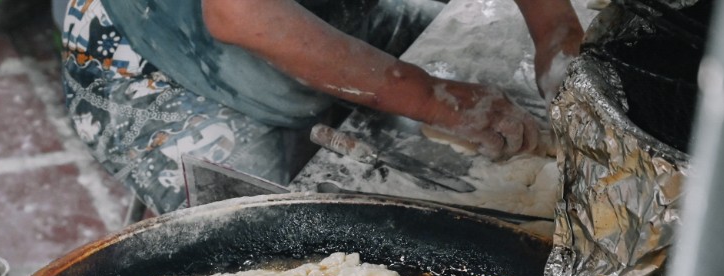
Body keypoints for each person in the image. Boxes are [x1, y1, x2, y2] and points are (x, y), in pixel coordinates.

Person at [60, 0, 584, 214]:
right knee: (253, 256)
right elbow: (237, 10)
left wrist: (554, 29)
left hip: (312, 9)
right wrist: (427, 96)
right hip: (159, 59)